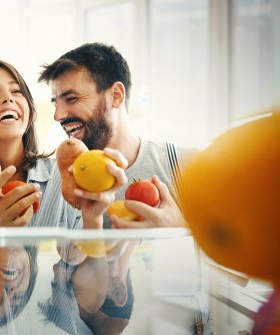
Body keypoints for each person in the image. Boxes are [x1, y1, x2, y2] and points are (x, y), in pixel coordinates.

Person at [0, 59, 126, 326]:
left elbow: (89, 300)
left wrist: (92, 220)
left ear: (29, 110)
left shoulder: (66, 176)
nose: (7, 99)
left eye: (16, 91)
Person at [38, 42, 195, 229]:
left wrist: (181, 231)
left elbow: (226, 252)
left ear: (116, 95)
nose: (58, 115)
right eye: (56, 103)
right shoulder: (60, 184)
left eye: (71, 99)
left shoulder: (186, 167)